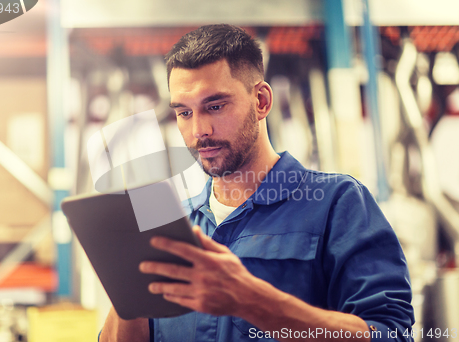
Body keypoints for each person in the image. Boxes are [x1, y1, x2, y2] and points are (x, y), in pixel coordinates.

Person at [100, 24, 414, 342]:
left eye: (215, 106)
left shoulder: (337, 204)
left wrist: (254, 301)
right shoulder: (171, 226)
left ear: (261, 101)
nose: (199, 130)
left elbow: (391, 335)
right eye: (184, 112)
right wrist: (127, 286)